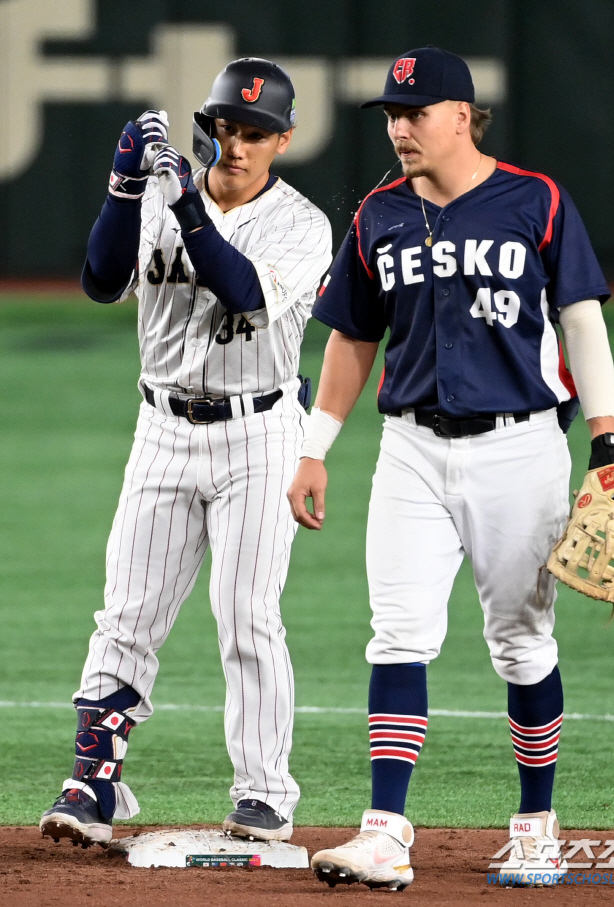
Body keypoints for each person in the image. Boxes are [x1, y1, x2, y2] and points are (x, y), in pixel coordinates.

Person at [288, 46, 614, 889]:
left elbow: (582, 320)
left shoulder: (536, 200)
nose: (400, 128)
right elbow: (351, 338)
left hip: (520, 449)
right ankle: (384, 829)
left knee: (521, 642)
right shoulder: (378, 214)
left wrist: (609, 442)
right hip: (409, 449)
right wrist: (313, 447)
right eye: (391, 115)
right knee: (398, 632)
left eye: (414, 112)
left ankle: (536, 824)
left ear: (462, 116)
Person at [40, 57, 332, 849]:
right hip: (162, 428)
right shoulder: (165, 197)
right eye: (225, 129)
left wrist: (179, 203)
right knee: (127, 613)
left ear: (283, 140)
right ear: (210, 129)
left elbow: (240, 289)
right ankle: (94, 781)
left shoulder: (303, 226)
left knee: (246, 616)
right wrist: (122, 188)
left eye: (255, 133)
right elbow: (102, 281)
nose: (236, 146)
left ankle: (265, 792)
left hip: (260, 431)